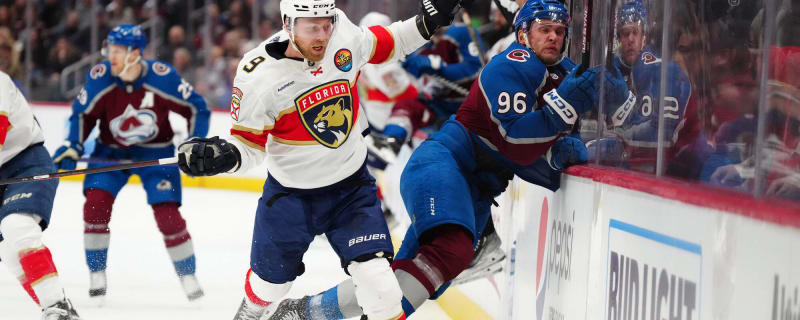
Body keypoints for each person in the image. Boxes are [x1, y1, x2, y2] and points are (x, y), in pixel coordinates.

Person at [265, 1, 616, 319]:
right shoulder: (513, 62)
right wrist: (563, 115)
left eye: (559, 31)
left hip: (474, 190)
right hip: (446, 165)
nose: (553, 37)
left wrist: (587, 144)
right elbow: (516, 142)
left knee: (408, 280)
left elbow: (541, 159)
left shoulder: (564, 75)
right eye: (544, 29)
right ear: (523, 33)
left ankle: (305, 312)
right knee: (453, 249)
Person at [173, 0, 463, 319]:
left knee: (383, 290)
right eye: (312, 27)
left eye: (326, 25)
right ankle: (251, 312)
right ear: (287, 24)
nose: (322, 35)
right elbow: (249, 146)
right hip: (291, 196)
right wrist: (222, 156)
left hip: (351, 190)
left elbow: (390, 42)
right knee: (269, 288)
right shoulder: (257, 72)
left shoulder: (342, 34)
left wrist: (427, 22)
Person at [51, 25, 210, 302]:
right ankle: (96, 273)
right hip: (110, 153)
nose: (110, 57)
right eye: (109, 50)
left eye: (117, 51)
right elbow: (81, 115)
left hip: (155, 154)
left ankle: (188, 274)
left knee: (168, 216)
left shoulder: (162, 77)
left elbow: (198, 107)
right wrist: (73, 145)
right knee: (95, 205)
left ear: (135, 53)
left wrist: (194, 142)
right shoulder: (100, 77)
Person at [0, 71, 81, 319]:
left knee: (17, 226)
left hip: (26, 163)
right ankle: (59, 307)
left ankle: (58, 307)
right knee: (8, 252)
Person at [587, 0, 700, 177]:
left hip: (671, 170)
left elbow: (660, 136)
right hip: (622, 170)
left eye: (635, 33)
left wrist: (615, 143)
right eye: (625, 33)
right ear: (618, 38)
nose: (631, 39)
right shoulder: (606, 72)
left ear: (644, 37)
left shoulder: (663, 72)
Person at [367, 21, 485, 164]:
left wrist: (441, 69)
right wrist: (409, 68)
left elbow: (476, 70)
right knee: (407, 106)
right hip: (439, 109)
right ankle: (390, 143)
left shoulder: (460, 31)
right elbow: (417, 85)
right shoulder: (421, 45)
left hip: (471, 107)